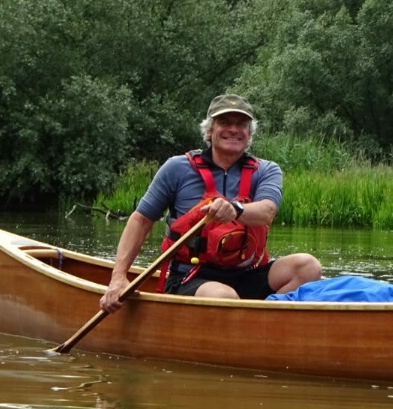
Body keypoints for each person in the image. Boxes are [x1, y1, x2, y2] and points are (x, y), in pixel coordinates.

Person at [100, 94, 321, 312]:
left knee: (308, 266)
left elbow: (267, 211)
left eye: (241, 124)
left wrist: (235, 209)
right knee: (224, 296)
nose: (233, 129)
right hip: (192, 275)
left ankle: (261, 323)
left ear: (249, 133)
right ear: (209, 130)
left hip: (247, 274)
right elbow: (141, 220)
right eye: (224, 123)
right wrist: (118, 277)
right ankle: (241, 323)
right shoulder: (176, 168)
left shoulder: (266, 170)